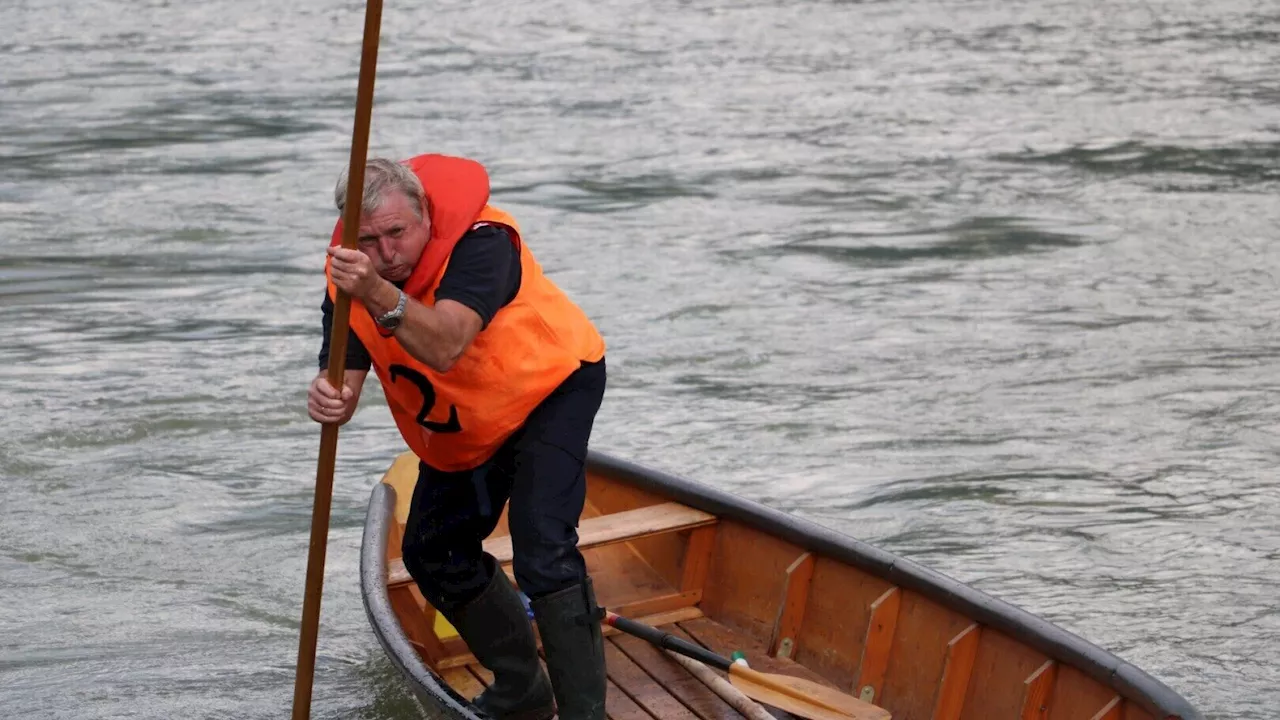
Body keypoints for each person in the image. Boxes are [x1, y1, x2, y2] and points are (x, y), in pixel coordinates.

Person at [307, 153, 607, 720]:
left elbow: (446, 345)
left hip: (549, 391)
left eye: (397, 233)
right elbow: (343, 374)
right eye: (368, 239)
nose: (386, 253)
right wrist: (330, 398)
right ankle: (523, 688)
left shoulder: (484, 242)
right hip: (468, 418)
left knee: (543, 549)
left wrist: (375, 290)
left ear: (425, 215)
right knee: (431, 552)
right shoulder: (348, 275)